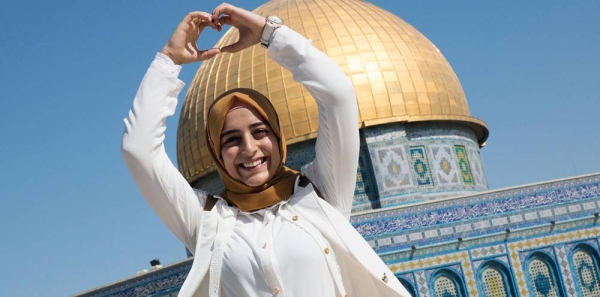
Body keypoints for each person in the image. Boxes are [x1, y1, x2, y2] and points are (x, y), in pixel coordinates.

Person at [122, 3, 411, 297]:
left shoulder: (320, 194)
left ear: (277, 136)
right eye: (231, 140)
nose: (249, 148)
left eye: (260, 132)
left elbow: (339, 96)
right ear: (217, 154)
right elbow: (138, 149)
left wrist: (269, 33)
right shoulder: (206, 221)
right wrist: (169, 61)